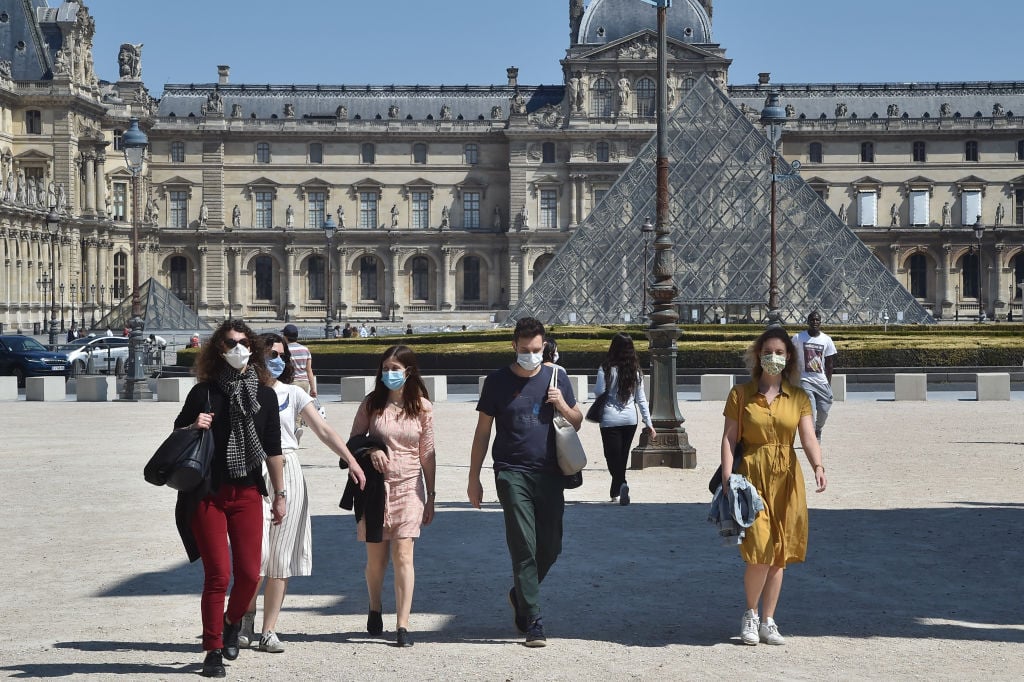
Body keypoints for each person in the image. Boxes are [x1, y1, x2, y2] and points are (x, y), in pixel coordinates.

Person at [237, 334, 367, 653]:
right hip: (253, 469)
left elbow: (324, 430)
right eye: (270, 354)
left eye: (280, 354)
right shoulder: (244, 390)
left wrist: (351, 460)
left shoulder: (294, 393)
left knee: (281, 556)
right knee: (253, 555)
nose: (276, 360)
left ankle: (268, 630)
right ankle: (244, 620)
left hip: (289, 469)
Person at [172, 320, 286, 678]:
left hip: (248, 491)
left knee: (251, 574)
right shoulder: (203, 393)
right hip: (208, 493)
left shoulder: (264, 395)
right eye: (231, 344)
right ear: (218, 351)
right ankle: (213, 649)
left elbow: (273, 449)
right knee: (218, 575)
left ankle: (232, 621)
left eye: (243, 343)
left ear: (252, 347)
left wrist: (280, 494)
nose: (239, 349)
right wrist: (194, 426)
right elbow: (177, 433)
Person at [468, 317, 582, 647]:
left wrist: (560, 403)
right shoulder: (496, 381)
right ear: (514, 346)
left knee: (551, 547)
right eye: (524, 349)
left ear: (544, 346)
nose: (531, 355)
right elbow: (482, 433)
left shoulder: (557, 377)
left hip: (550, 473)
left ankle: (519, 595)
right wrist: (473, 478)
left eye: (537, 349)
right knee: (523, 546)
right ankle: (533, 619)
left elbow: (577, 420)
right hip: (510, 471)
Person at [719, 327, 827, 647]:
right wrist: (727, 478)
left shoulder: (798, 398)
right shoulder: (741, 394)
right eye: (768, 352)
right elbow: (728, 438)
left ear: (789, 357)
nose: (774, 358)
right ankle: (750, 614)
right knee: (759, 549)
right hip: (751, 477)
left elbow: (808, 437)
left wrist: (818, 466)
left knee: (778, 553)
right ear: (758, 355)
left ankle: (769, 620)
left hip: (787, 478)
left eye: (780, 353)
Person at [348, 345, 436, 647]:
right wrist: (371, 451)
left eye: (395, 369)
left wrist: (432, 494)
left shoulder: (423, 407)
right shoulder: (372, 403)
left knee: (403, 555)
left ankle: (403, 624)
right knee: (376, 561)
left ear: (408, 371)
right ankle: (375, 606)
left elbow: (427, 452)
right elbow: (353, 443)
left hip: (410, 486)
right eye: (385, 368)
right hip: (374, 490)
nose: (389, 374)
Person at [593, 332, 656, 505]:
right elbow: (641, 399)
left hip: (609, 418)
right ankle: (616, 491)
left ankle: (622, 484)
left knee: (611, 456)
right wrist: (648, 423)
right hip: (630, 419)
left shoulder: (605, 368)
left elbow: (598, 392)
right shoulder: (635, 371)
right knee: (622, 456)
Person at [791, 311, 837, 441]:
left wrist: (828, 383)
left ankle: (818, 429)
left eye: (817, 320)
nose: (815, 322)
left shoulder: (826, 340)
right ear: (808, 321)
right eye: (812, 320)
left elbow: (829, 364)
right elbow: (790, 357)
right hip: (805, 380)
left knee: (824, 410)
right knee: (809, 411)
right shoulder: (798, 338)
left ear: (820, 322)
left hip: (821, 381)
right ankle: (811, 438)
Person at [282, 324, 316, 437]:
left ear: (285, 337)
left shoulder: (285, 350)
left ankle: (295, 428)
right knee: (301, 407)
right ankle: (298, 426)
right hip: (304, 382)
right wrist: (313, 388)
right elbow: (309, 370)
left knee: (291, 406)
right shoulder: (305, 349)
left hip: (291, 381)